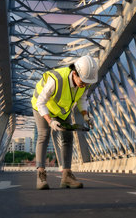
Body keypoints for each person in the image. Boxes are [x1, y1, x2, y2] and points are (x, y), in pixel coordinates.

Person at [31, 55, 98, 190]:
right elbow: (41, 102)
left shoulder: (85, 82)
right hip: (42, 107)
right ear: (74, 73)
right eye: (83, 81)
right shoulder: (56, 80)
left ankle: (67, 176)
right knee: (44, 135)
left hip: (62, 111)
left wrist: (85, 115)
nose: (84, 85)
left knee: (68, 138)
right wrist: (50, 121)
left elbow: (82, 98)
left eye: (87, 83)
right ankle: (41, 175)